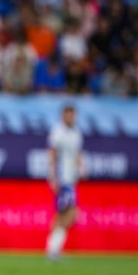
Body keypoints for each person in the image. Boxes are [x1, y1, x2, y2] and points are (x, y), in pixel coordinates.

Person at [46, 104, 85, 260]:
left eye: (72, 115)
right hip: (62, 178)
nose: (70, 118)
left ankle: (54, 249)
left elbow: (77, 154)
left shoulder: (76, 133)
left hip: (71, 178)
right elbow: (52, 154)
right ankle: (53, 248)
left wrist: (82, 168)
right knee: (69, 213)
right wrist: (52, 176)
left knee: (65, 214)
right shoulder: (58, 132)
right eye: (68, 115)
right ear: (62, 116)